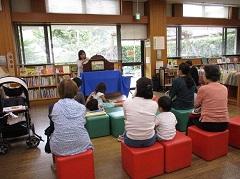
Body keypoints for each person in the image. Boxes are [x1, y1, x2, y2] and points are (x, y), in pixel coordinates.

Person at [49, 79, 93, 156]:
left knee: (52, 132)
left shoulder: (54, 107)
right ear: (75, 91)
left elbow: (53, 125)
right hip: (83, 144)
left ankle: (57, 165)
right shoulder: (82, 107)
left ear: (59, 92)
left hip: (60, 148)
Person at [188, 65, 229, 132]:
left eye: (204, 74)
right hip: (224, 124)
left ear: (207, 75)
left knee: (191, 118)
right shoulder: (224, 88)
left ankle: (190, 140)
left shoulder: (203, 88)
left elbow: (196, 105)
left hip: (209, 124)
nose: (202, 76)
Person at [123, 77, 158, 148]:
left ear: (137, 88)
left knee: (126, 128)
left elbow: (126, 118)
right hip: (149, 140)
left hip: (131, 141)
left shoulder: (127, 102)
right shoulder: (154, 104)